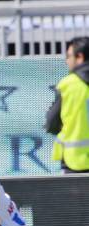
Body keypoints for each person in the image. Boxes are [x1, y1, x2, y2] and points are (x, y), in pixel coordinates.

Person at [45, 36, 89, 173]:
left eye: (69, 56)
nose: (67, 61)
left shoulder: (69, 85)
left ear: (80, 57)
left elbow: (51, 122)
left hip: (74, 161)